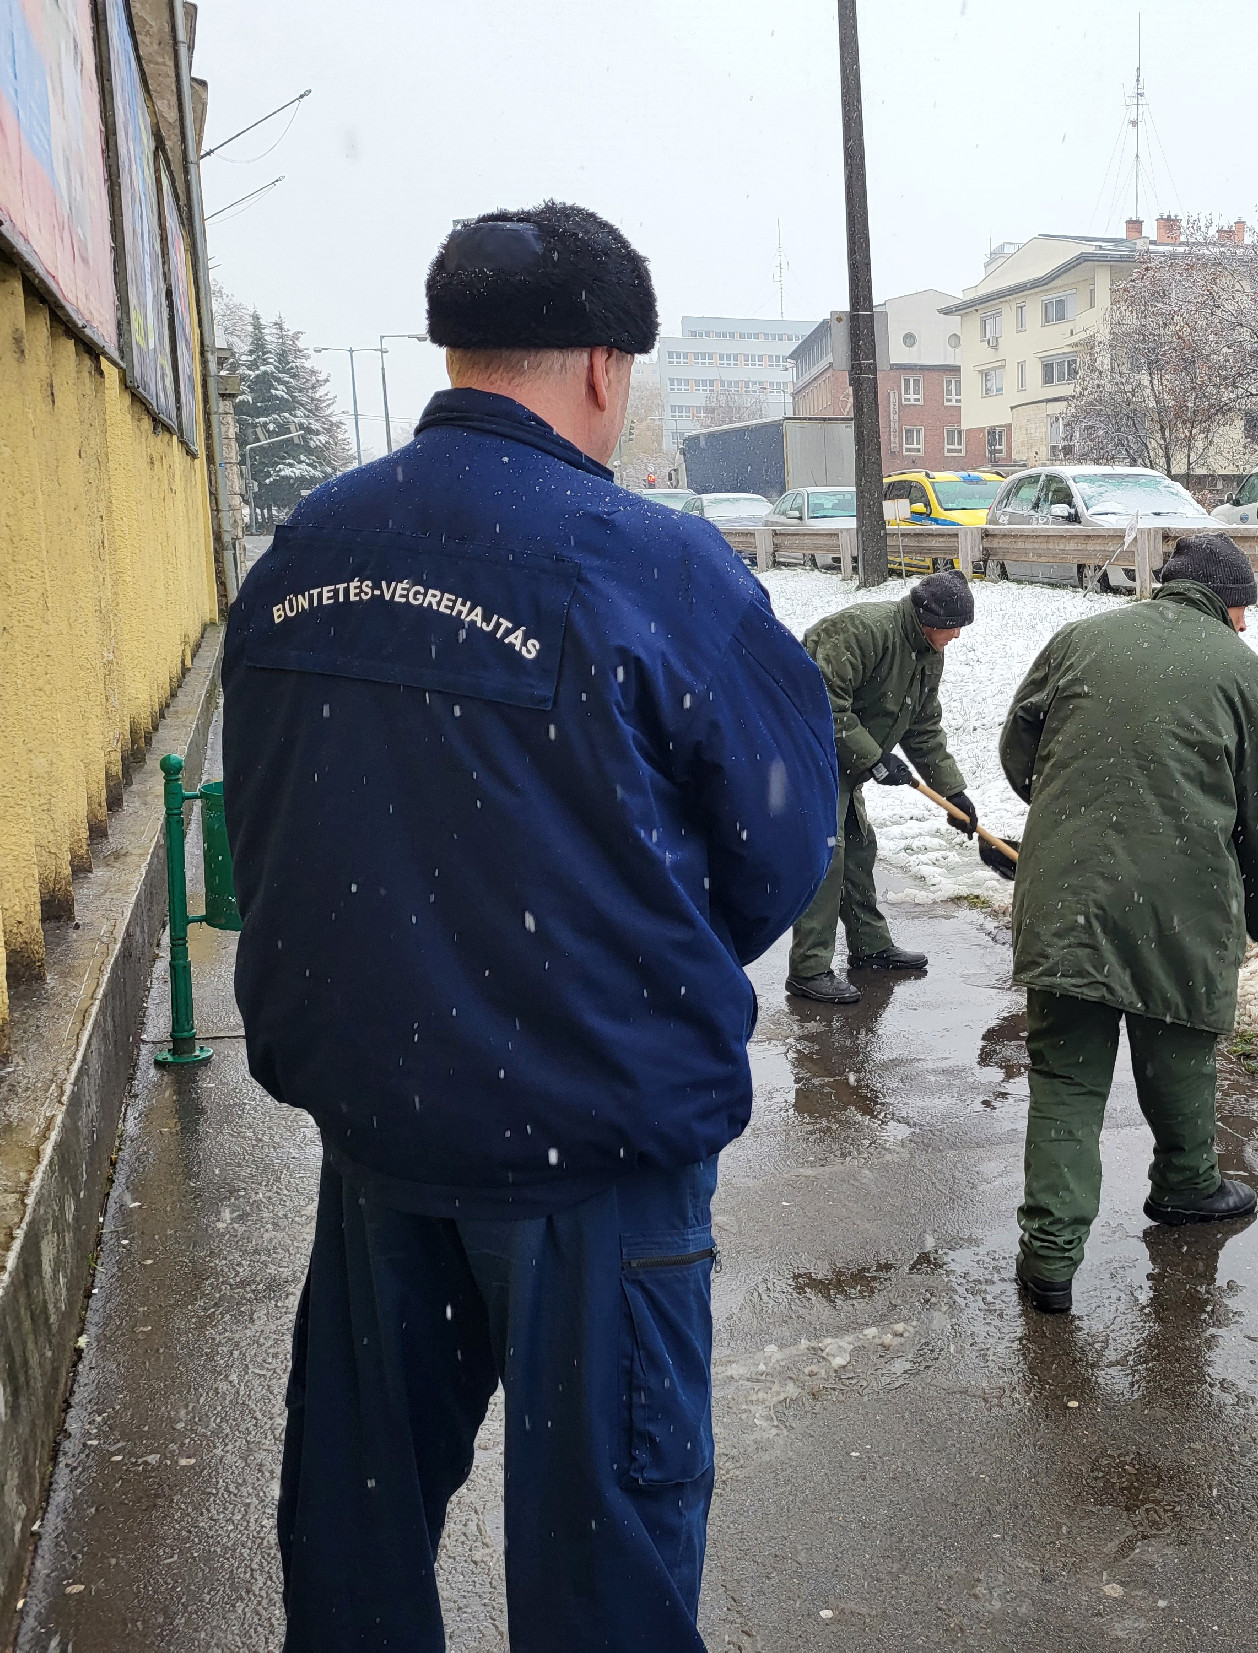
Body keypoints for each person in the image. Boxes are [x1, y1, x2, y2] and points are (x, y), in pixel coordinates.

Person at [221, 202, 840, 1652]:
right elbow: (782, 841)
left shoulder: (309, 543)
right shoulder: (652, 563)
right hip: (593, 1152)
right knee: (604, 1563)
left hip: (376, 1139)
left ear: (457, 347)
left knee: (356, 1531)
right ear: (607, 370)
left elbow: (269, 818)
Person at [997, 534, 1258, 1314]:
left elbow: (1019, 743)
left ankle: (1050, 1260)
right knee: (1179, 1039)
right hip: (1179, 903)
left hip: (1066, 891)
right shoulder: (1251, 678)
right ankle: (1185, 1184)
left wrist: (1066, 805)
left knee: (1066, 1077)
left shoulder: (1079, 639)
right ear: (1232, 602)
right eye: (1247, 612)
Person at [785, 570, 981, 1003]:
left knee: (858, 849)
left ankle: (870, 948)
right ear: (928, 618)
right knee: (828, 855)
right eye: (953, 627)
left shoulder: (928, 652)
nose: (956, 637)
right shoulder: (859, 632)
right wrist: (874, 758)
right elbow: (821, 706)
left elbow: (924, 728)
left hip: (844, 761)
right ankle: (809, 969)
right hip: (807, 755)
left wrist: (952, 792)